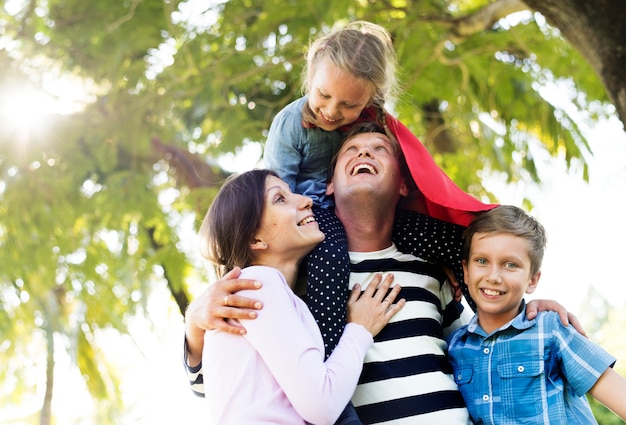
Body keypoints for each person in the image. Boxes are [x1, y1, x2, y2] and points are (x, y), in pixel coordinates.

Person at [184, 124, 581, 423]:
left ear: (404, 184)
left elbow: (478, 345)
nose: (365, 153)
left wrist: (526, 311)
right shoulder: (298, 277)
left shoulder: (431, 269)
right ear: (329, 186)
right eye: (351, 150)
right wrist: (196, 325)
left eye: (380, 149)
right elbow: (216, 386)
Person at [263, 20, 497, 363]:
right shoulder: (290, 124)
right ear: (312, 71)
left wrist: (445, 259)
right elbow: (277, 189)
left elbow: (411, 177)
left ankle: (499, 325)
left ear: (368, 99)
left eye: (347, 105)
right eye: (324, 95)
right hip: (312, 215)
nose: (331, 111)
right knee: (329, 257)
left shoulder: (371, 124)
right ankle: (323, 362)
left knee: (453, 240)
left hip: (366, 215)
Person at [195, 168, 405, 424]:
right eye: (280, 199)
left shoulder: (266, 292)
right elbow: (322, 405)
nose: (307, 201)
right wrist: (359, 331)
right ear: (255, 238)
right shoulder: (258, 284)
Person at [446, 205, 626, 423]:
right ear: (465, 271)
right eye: (482, 261)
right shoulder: (456, 346)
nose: (493, 276)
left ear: (532, 280)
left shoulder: (551, 328)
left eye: (510, 264)